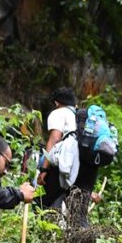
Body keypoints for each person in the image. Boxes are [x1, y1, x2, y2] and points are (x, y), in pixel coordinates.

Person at [37, 87, 102, 229]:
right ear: (75, 104)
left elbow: (55, 138)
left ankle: (44, 238)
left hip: (69, 162)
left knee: (42, 203)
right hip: (89, 162)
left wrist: (44, 168)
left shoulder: (59, 113)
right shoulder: (84, 119)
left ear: (56, 103)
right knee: (79, 215)